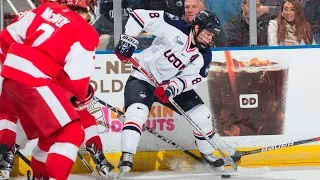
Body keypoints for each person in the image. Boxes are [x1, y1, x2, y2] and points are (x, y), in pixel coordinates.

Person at [114, 9, 241, 177]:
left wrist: (172, 86)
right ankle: (127, 156)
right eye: (207, 34)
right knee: (136, 113)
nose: (210, 39)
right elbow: (139, 15)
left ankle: (207, 154)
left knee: (202, 116)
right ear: (196, 27)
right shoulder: (173, 26)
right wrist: (128, 38)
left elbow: (193, 78)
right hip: (143, 79)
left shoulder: (204, 56)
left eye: (212, 36)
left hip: (169, 87)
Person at [0, 0, 115, 179]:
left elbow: (5, 38)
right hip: (37, 80)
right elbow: (77, 81)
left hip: (11, 77)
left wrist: (13, 67)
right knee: (73, 130)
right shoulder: (85, 30)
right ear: (89, 9)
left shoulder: (46, 10)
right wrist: (81, 96)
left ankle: (11, 158)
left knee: (45, 134)